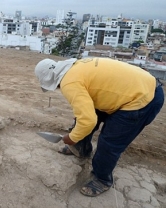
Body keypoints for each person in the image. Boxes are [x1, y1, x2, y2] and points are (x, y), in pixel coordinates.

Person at [34, 57, 164, 197]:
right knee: (82, 120)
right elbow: (90, 108)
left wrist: (71, 137)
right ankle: (81, 148)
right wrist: (82, 119)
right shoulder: (76, 66)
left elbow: (88, 121)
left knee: (109, 142)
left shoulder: (69, 82)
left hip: (142, 99)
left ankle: (102, 179)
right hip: (137, 88)